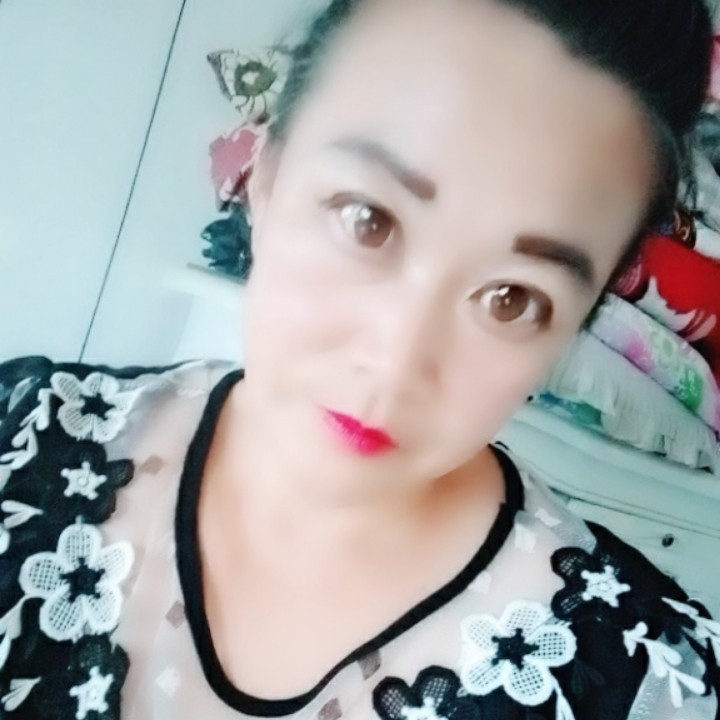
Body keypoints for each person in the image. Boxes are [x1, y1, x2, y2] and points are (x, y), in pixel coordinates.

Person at [0, 0, 718, 717]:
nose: (395, 361)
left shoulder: (643, 683)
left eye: (511, 299)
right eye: (368, 220)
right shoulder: (22, 443)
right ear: (265, 177)